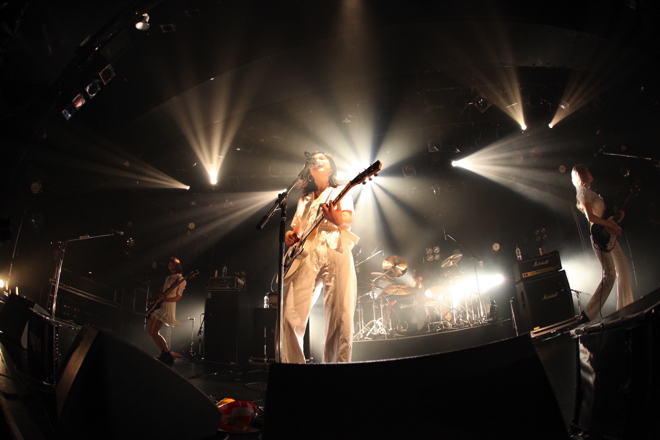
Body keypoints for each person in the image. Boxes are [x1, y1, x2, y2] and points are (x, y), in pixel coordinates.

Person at [282, 151, 359, 363]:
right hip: (306, 252)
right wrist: (290, 236)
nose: (317, 161)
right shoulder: (305, 198)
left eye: (322, 158)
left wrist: (336, 219)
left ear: (331, 167)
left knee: (339, 313)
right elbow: (297, 230)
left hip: (335, 246)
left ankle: (335, 369)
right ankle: (293, 368)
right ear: (309, 170)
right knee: (289, 313)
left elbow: (346, 221)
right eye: (314, 159)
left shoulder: (341, 190)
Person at [571, 164, 634, 323]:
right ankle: (587, 315)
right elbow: (591, 218)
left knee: (623, 270)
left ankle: (626, 307)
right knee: (610, 275)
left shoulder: (591, 192)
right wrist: (611, 225)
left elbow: (602, 216)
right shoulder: (583, 192)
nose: (591, 172)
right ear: (583, 175)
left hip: (608, 234)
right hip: (599, 237)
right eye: (588, 171)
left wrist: (615, 220)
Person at [148, 257, 185, 364]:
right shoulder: (168, 278)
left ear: (177, 266)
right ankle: (164, 353)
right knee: (151, 332)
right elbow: (163, 291)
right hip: (160, 304)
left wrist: (167, 299)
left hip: (167, 306)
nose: (171, 267)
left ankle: (167, 354)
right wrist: (154, 298)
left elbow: (178, 297)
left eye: (173, 265)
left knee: (154, 332)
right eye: (169, 265)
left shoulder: (181, 280)